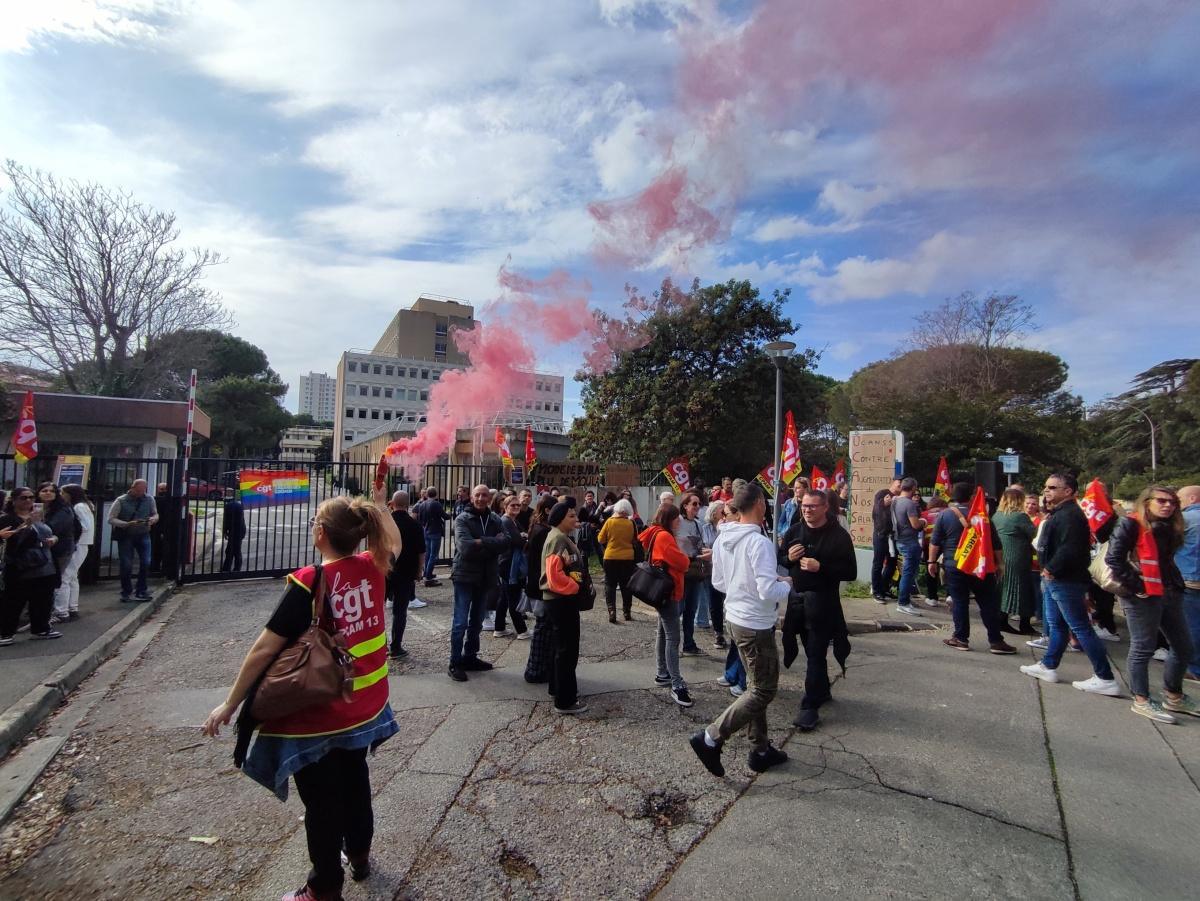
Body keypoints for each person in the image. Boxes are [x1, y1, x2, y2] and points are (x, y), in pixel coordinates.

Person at [202, 494, 401, 901]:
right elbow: (393, 541)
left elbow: (263, 650)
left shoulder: (309, 581)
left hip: (319, 711)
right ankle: (359, 853)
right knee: (355, 780)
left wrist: (231, 703)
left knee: (322, 802)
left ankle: (324, 887)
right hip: (364, 705)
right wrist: (378, 506)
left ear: (321, 533)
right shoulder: (374, 565)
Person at [690, 483, 792, 776]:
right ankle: (710, 737)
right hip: (755, 624)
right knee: (764, 690)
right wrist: (787, 585)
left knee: (754, 686)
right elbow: (766, 590)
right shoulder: (758, 542)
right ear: (760, 502)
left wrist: (745, 586)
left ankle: (760, 748)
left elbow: (719, 583)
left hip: (735, 618)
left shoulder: (724, 538)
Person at [1020, 473, 1119, 696]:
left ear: (1068, 491)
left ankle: (1105, 677)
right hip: (1059, 579)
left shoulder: (1070, 515)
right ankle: (1048, 665)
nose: (1047, 491)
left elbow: (1070, 547)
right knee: (1058, 626)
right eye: (1046, 487)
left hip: (1065, 580)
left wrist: (1051, 569)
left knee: (1080, 627)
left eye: (1053, 487)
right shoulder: (1062, 513)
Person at [1105, 486, 1197, 723]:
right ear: (1147, 502)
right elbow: (1114, 559)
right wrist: (1138, 587)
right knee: (1143, 647)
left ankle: (1174, 695)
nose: (1168, 505)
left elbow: (1168, 559)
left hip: (1169, 590)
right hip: (1141, 594)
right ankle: (1142, 699)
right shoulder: (1130, 524)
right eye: (1162, 501)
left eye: (1173, 502)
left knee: (1184, 646)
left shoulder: (1170, 527)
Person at [779, 487, 858, 731]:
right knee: (809, 650)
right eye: (804, 506)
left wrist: (820, 567)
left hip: (824, 603)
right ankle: (821, 690)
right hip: (797, 602)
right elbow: (781, 559)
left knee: (815, 652)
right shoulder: (794, 531)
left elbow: (850, 572)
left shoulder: (839, 536)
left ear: (825, 507)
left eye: (812, 506)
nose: (807, 510)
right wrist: (789, 559)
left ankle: (809, 706)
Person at [929, 482, 1016, 655]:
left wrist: (931, 562)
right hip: (980, 565)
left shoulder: (945, 515)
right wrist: (999, 564)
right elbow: (995, 543)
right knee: (988, 603)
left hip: (955, 564)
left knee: (960, 602)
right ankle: (996, 641)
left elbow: (935, 541)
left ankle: (960, 638)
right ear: (971, 497)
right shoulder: (982, 517)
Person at [447, 484, 509, 682]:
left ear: (490, 499)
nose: (481, 498)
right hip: (464, 576)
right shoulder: (462, 519)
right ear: (471, 497)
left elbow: (506, 543)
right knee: (460, 622)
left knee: (476, 622)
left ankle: (470, 657)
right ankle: (455, 663)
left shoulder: (495, 519)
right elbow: (465, 547)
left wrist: (480, 542)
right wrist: (490, 542)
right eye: (478, 495)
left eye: (484, 495)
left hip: (485, 576)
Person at [639, 504, 694, 707]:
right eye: (677, 518)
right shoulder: (664, 536)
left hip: (662, 590)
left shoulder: (656, 533)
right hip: (668, 591)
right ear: (669, 519)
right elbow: (682, 563)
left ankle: (662, 673)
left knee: (663, 633)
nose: (679, 521)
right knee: (673, 637)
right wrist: (685, 557)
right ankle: (676, 683)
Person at [540, 501, 590, 714]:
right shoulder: (558, 539)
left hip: (559, 600)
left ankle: (558, 688)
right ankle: (565, 700)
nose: (575, 519)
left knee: (561, 648)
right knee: (567, 650)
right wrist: (575, 588)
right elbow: (554, 577)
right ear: (560, 518)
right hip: (561, 600)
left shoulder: (559, 537)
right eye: (571, 516)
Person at [0, 487, 62, 644]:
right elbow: (13, 540)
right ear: (14, 500)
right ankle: (6, 633)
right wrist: (27, 525)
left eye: (31, 497)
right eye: (23, 498)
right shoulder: (7, 519)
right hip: (21, 565)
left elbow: (48, 533)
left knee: (42, 599)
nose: (28, 501)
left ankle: (41, 628)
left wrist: (53, 539)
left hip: (44, 563)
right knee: (14, 601)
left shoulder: (38, 516)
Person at [993, 487, 1037, 634]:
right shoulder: (1020, 517)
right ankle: (1025, 624)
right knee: (1023, 589)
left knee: (1004, 588)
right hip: (1018, 556)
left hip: (1002, 556)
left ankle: (1001, 620)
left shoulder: (996, 516)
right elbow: (1033, 532)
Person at [523, 495, 558, 683]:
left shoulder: (539, 527)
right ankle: (535, 669)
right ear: (547, 511)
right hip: (541, 585)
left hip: (537, 583)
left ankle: (538, 667)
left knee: (543, 627)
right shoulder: (543, 531)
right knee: (542, 629)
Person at [386, 490, 425, 660]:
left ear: (392, 503)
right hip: (406, 571)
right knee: (399, 611)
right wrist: (419, 571)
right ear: (408, 505)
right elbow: (421, 552)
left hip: (385, 570)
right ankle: (396, 647)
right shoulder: (414, 524)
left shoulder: (385, 523)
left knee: (377, 610)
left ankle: (378, 646)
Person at [108, 478, 158, 602]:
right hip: (126, 535)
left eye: (143, 490)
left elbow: (155, 514)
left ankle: (141, 590)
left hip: (143, 534)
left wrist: (153, 519)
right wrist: (126, 524)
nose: (141, 493)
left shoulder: (149, 499)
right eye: (138, 490)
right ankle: (126, 591)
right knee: (126, 564)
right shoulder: (121, 500)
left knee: (146, 562)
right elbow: (111, 518)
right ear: (132, 488)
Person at [53, 484, 94, 621]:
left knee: (65, 577)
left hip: (78, 544)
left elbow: (84, 526)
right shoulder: (84, 505)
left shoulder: (78, 507)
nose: (61, 495)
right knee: (72, 577)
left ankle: (61, 611)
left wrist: (72, 537)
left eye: (62, 492)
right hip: (82, 544)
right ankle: (72, 607)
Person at [676, 491, 709, 655]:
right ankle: (673, 645)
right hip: (681, 568)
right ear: (685, 505)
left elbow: (699, 544)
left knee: (691, 609)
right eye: (694, 504)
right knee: (678, 609)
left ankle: (689, 644)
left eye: (699, 504)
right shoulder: (678, 522)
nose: (697, 507)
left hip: (695, 568)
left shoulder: (698, 524)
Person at [38, 483, 76, 626]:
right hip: (40, 550)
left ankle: (56, 612)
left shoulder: (63, 510)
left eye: (51, 491)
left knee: (55, 580)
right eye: (44, 491)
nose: (48, 493)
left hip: (60, 549)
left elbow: (53, 528)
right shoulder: (37, 507)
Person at [597, 498, 637, 623]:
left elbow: (600, 539)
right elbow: (635, 540)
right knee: (626, 586)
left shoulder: (609, 522)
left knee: (610, 584)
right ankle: (627, 612)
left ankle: (612, 611)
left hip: (610, 557)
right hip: (627, 558)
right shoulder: (631, 523)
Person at [494, 494, 529, 639]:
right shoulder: (506, 521)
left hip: (509, 563)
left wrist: (523, 536)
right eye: (512, 505)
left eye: (517, 505)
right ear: (505, 507)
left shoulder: (513, 521)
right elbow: (518, 541)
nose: (516, 507)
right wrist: (523, 537)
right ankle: (522, 631)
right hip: (508, 564)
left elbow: (525, 535)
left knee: (504, 598)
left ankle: (499, 628)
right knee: (513, 598)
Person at [890, 477, 924, 617]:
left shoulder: (894, 501)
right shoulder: (909, 504)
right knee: (909, 574)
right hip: (909, 541)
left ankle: (904, 601)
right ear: (913, 488)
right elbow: (915, 524)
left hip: (899, 539)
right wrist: (923, 522)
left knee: (907, 573)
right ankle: (903, 603)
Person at [1177, 485, 1200, 683]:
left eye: (1180, 499)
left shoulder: (1185, 520)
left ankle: (1194, 668)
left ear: (1192, 498)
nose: (1178, 503)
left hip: (1189, 579)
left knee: (1190, 626)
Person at [701, 500, 727, 649]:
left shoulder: (727, 528)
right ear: (713, 512)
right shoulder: (705, 528)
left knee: (728, 602)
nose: (724, 512)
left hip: (727, 569)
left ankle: (731, 630)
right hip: (711, 570)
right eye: (721, 510)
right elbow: (702, 546)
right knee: (715, 602)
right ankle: (719, 633)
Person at [870, 478, 901, 602]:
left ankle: (884, 587)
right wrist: (884, 503)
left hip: (893, 535)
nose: (900, 486)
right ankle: (876, 591)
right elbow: (876, 510)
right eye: (899, 483)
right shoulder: (883, 493)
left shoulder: (901, 498)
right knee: (878, 562)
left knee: (892, 563)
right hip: (881, 534)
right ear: (893, 483)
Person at [414, 487, 449, 587]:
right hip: (435, 531)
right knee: (434, 554)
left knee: (428, 554)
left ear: (427, 494)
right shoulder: (436, 504)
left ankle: (426, 573)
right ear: (436, 494)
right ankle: (428, 575)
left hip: (426, 531)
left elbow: (420, 519)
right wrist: (449, 515)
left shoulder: (422, 504)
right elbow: (444, 516)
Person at [919, 496, 947, 606]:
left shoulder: (924, 514)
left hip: (929, 546)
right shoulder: (948, 512)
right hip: (946, 545)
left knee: (931, 570)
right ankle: (950, 595)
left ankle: (932, 597)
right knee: (948, 570)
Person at [222, 495, 247, 573]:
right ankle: (236, 568)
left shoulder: (228, 506)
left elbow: (226, 520)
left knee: (231, 550)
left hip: (234, 531)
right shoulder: (239, 505)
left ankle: (227, 569)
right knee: (236, 550)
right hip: (241, 530)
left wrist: (225, 531)